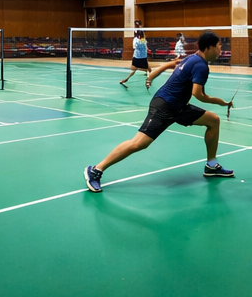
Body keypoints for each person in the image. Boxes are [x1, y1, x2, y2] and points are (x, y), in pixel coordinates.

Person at [83, 31, 235, 192]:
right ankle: (95, 170)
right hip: (164, 106)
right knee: (139, 143)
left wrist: (155, 74)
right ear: (209, 47)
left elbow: (175, 68)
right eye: (219, 47)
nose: (221, 50)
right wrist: (222, 102)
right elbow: (198, 95)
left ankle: (211, 165)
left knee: (213, 120)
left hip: (179, 107)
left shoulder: (191, 58)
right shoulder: (201, 66)